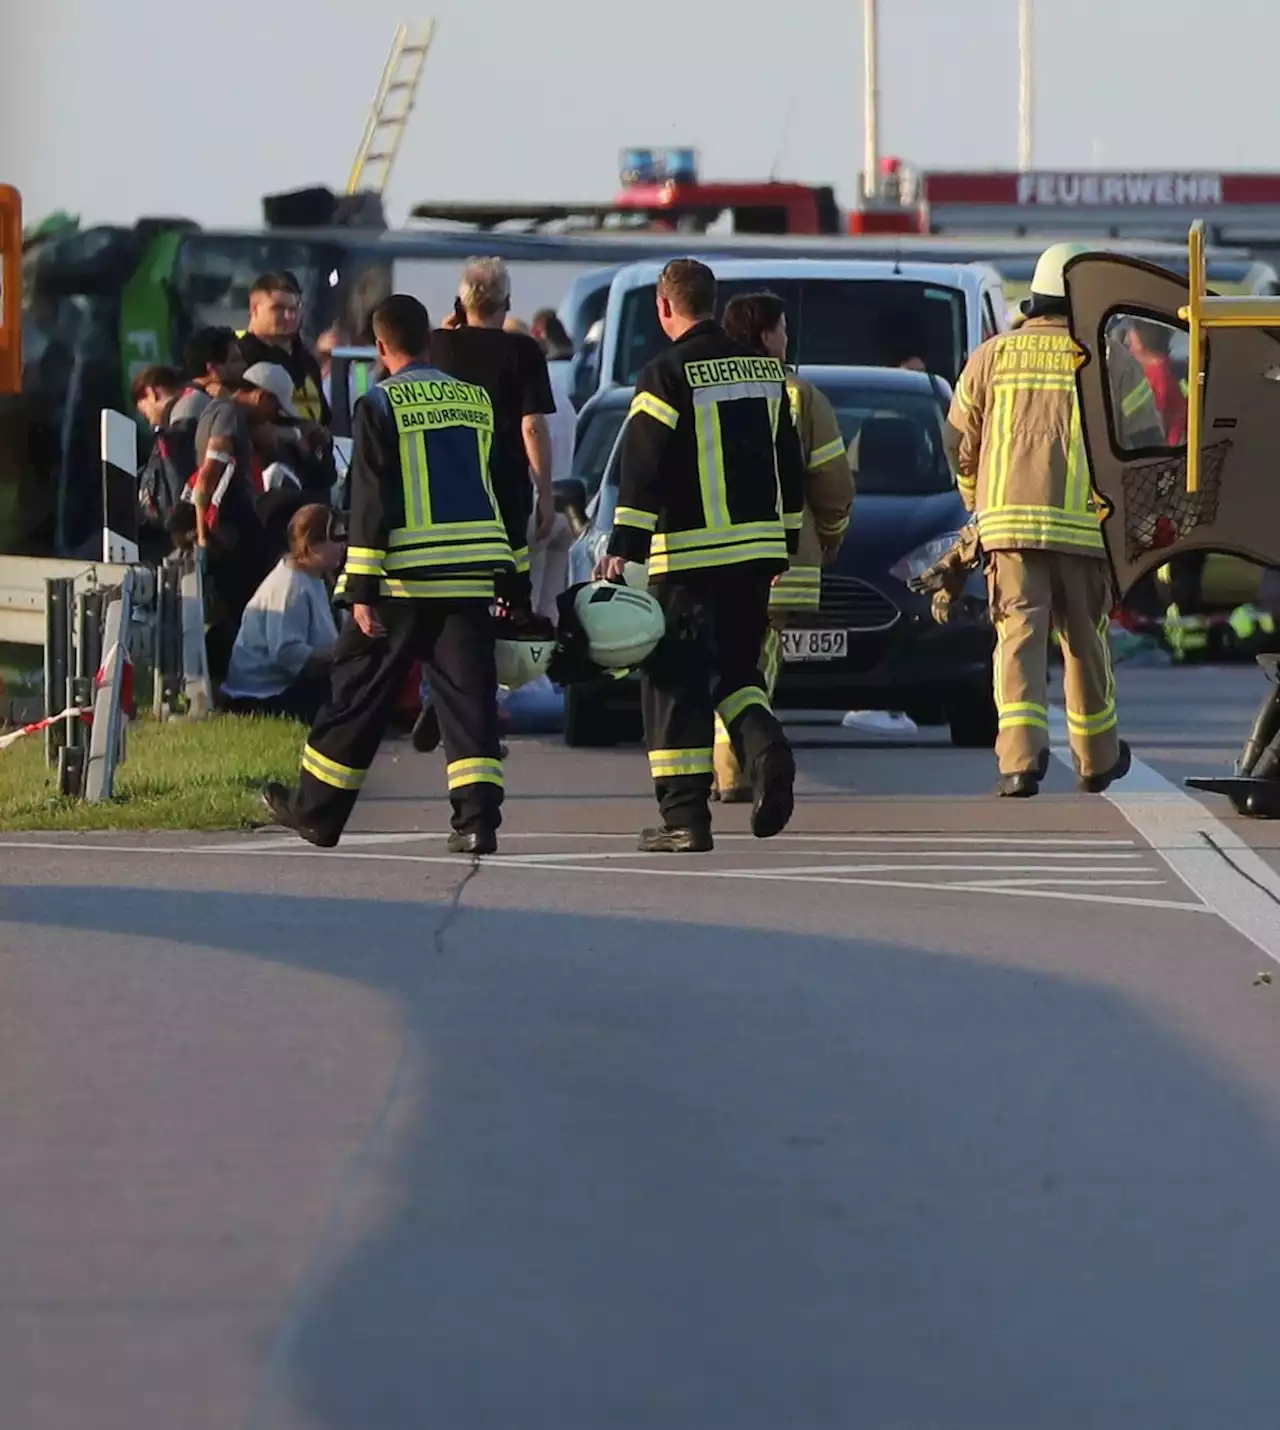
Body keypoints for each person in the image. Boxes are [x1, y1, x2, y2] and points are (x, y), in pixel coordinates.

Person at [260, 294, 532, 855]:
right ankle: (477, 823)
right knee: (469, 701)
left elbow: (370, 503)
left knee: (355, 692)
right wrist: (514, 575)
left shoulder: (379, 405)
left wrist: (359, 587)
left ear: (381, 347)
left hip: (401, 581)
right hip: (469, 576)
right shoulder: (475, 400)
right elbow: (510, 486)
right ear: (429, 341)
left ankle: (317, 812)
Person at [594, 258, 806, 853]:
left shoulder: (664, 372)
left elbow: (643, 467)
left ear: (666, 307)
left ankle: (684, 818)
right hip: (757, 555)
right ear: (712, 302)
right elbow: (789, 462)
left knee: (672, 683)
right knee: (738, 674)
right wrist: (784, 541)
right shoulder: (765, 371)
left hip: (687, 557)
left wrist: (623, 548)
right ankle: (769, 755)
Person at [946, 241, 1146, 798]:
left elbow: (960, 439)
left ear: (1034, 299)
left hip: (1008, 528)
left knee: (1018, 640)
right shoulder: (1109, 360)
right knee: (1085, 642)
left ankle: (1019, 762)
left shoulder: (992, 356)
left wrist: (974, 502)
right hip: (1084, 532)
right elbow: (1145, 450)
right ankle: (1097, 760)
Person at [715, 291, 855, 801]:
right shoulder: (799, 395)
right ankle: (733, 768)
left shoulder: (703, 389)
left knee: (724, 657)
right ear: (768, 335)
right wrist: (831, 536)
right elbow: (831, 481)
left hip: (710, 555)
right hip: (783, 557)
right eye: (783, 328)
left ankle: (718, 769)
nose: (787, 337)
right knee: (755, 663)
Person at [431, 257, 556, 545]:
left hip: (448, 487)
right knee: (511, 576)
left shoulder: (436, 345)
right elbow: (533, 427)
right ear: (507, 302)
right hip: (506, 488)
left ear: (460, 304)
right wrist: (546, 494)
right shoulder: (524, 351)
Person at [218, 503, 342, 720]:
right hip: (261, 696)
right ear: (312, 544)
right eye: (337, 539)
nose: (344, 546)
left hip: (283, 687)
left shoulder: (315, 577)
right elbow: (286, 653)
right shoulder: (289, 585)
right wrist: (336, 656)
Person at [236, 272, 330, 426]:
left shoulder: (306, 361)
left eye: (293, 309)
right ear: (254, 310)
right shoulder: (239, 358)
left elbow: (324, 418)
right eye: (278, 309)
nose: (289, 316)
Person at [174, 327, 245, 423]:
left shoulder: (210, 398)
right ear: (212, 367)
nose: (244, 365)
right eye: (235, 360)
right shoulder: (195, 404)